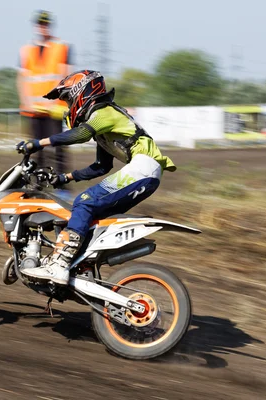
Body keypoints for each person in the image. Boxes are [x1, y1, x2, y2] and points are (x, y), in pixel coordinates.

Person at [16, 70, 177, 285]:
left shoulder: (104, 112)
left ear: (82, 93)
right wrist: (65, 178)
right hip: (147, 174)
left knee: (84, 202)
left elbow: (79, 135)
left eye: (68, 100)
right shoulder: (104, 131)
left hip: (143, 168)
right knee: (89, 218)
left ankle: (60, 265)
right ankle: (82, 266)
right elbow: (101, 167)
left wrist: (37, 143)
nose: (68, 107)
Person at [17, 10, 73, 198]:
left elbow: (66, 76)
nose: (43, 27)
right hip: (34, 111)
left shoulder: (61, 47)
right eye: (40, 24)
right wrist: (26, 102)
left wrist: (56, 101)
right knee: (36, 150)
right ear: (36, 26)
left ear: (49, 26)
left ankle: (62, 187)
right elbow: (22, 78)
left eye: (46, 24)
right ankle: (38, 186)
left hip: (53, 109)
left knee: (58, 148)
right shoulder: (26, 50)